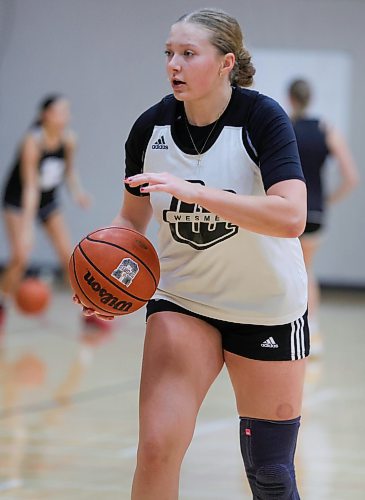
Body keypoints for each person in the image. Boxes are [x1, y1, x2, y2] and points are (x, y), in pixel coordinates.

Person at [77, 8, 309, 499]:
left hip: (266, 308)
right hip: (184, 301)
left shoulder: (262, 118)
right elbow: (131, 222)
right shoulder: (150, 129)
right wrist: (105, 281)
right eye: (169, 54)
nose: (173, 65)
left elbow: (291, 217)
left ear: (226, 63)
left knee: (270, 473)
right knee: (157, 448)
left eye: (188, 54)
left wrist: (195, 192)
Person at [0, 95, 106, 332]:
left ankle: (87, 312)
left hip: (47, 201)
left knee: (68, 257)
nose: (66, 115)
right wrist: (27, 228)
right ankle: (2, 304)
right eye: (61, 111)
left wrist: (78, 192)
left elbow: (69, 172)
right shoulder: (32, 142)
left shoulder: (69, 139)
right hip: (19, 201)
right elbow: (30, 188)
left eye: (67, 111)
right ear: (45, 115)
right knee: (20, 256)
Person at [288, 79, 359, 352]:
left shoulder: (286, 129)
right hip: (316, 211)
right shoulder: (324, 129)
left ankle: (286, 328)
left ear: (291, 99)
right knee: (307, 270)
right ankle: (311, 332)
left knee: (287, 270)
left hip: (289, 211)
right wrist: (329, 199)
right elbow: (351, 176)